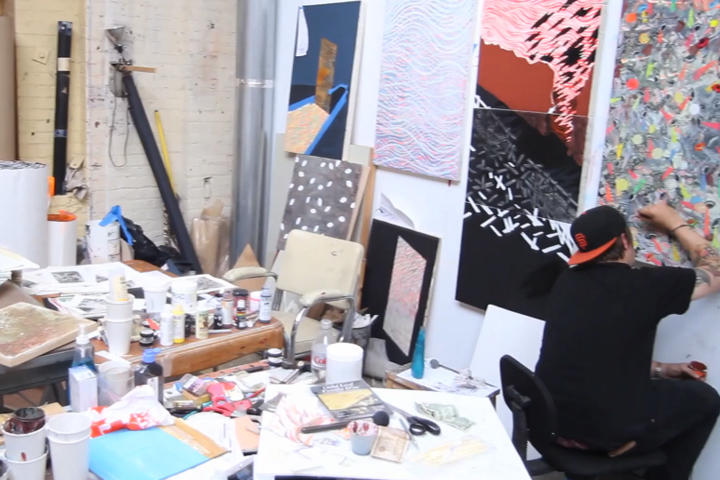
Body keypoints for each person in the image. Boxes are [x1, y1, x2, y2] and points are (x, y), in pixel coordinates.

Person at [534, 200, 720, 480]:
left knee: (645, 397)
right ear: (624, 240)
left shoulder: (567, 282)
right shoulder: (647, 285)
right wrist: (673, 221)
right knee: (705, 399)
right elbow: (716, 269)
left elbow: (598, 356)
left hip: (550, 422)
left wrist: (662, 370)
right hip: (602, 431)